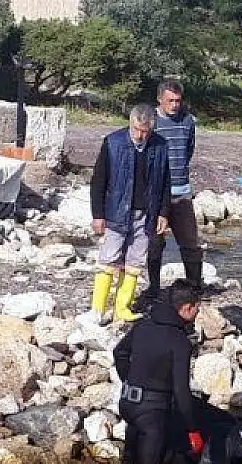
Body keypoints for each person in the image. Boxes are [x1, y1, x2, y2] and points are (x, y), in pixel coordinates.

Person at [113, 279, 205, 464]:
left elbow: (119, 352)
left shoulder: (144, 325)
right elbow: (181, 391)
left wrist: (129, 380)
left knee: (130, 461)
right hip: (151, 413)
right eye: (197, 309)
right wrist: (192, 429)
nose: (197, 314)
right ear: (186, 309)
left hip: (127, 405)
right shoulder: (179, 342)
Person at [90, 104, 171, 323]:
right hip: (116, 211)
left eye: (145, 131)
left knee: (135, 262)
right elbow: (98, 181)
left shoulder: (161, 146)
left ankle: (121, 309)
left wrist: (163, 213)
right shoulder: (112, 142)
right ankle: (97, 308)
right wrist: (98, 215)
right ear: (130, 122)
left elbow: (165, 183)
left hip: (146, 214)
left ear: (152, 129)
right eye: (136, 129)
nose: (140, 135)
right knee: (109, 259)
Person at [147, 79, 203, 302]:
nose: (175, 105)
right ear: (160, 100)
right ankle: (154, 287)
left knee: (190, 241)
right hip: (157, 193)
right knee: (155, 241)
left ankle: (195, 287)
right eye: (170, 101)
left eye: (178, 101)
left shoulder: (188, 121)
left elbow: (189, 149)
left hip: (182, 190)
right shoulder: (151, 122)